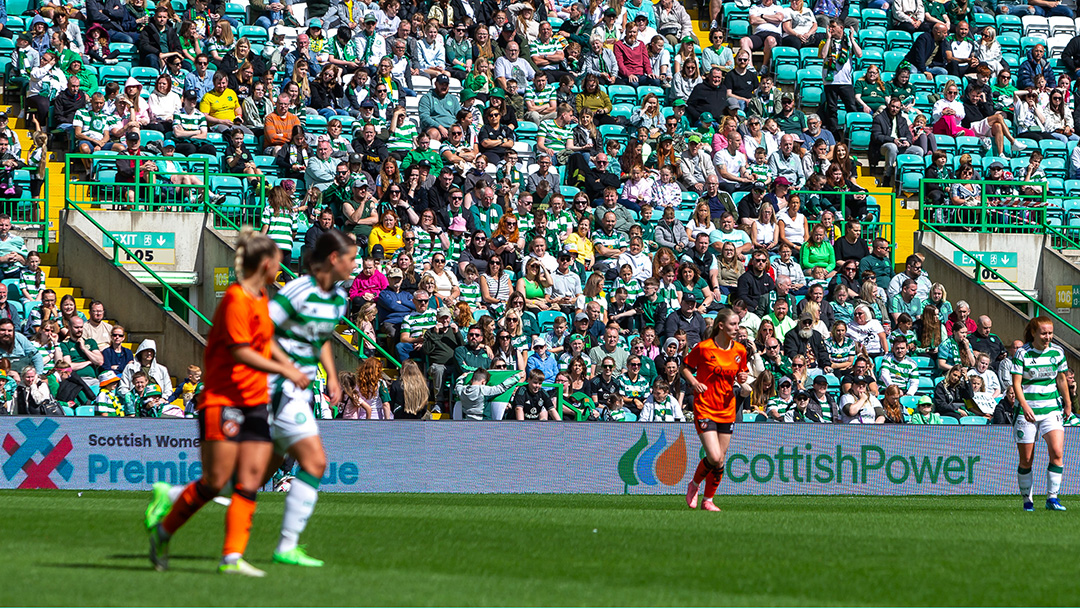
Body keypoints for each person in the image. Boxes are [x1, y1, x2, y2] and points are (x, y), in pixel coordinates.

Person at [145, 231, 308, 576]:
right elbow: (241, 351)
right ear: (266, 264)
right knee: (214, 482)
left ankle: (231, 558)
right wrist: (284, 369)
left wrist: (287, 362)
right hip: (222, 400)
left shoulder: (261, 295)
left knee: (249, 481)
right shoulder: (235, 299)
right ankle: (163, 530)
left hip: (254, 402)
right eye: (278, 262)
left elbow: (264, 342)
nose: (281, 268)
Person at [262, 230, 354, 566]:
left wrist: (331, 375)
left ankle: (174, 500)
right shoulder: (298, 290)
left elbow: (322, 337)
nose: (354, 265)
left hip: (299, 388)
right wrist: (287, 368)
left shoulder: (339, 299)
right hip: (277, 387)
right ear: (334, 259)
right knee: (315, 463)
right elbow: (262, 332)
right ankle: (286, 547)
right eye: (351, 259)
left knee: (254, 476)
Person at [683, 308, 749, 511]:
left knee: (720, 459)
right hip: (705, 406)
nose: (737, 329)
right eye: (733, 324)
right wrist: (694, 382)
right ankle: (694, 485)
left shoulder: (739, 350)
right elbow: (684, 367)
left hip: (727, 408)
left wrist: (743, 378)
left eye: (738, 324)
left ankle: (708, 500)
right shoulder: (704, 348)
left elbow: (742, 372)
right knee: (714, 456)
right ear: (721, 326)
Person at [1013, 317, 1072, 511]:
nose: (1047, 337)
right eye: (1043, 333)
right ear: (1033, 333)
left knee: (1057, 453)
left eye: (1050, 333)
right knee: (1027, 460)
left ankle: (1052, 498)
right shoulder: (1023, 353)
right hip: (1027, 411)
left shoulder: (1057, 352)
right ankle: (1027, 500)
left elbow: (1062, 379)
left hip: (1051, 409)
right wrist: (1024, 405)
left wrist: (1068, 403)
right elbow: (1016, 384)